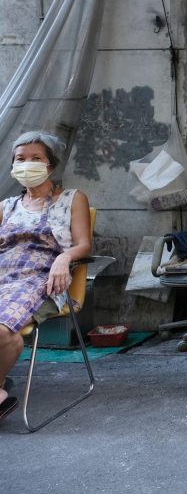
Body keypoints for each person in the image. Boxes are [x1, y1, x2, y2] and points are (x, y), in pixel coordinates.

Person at [1, 131, 91, 422]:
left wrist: (64, 258)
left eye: (36, 158)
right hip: (3, 275)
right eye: (20, 159)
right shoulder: (6, 207)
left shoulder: (72, 199)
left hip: (42, 279)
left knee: (3, 332)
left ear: (50, 165)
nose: (26, 164)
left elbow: (84, 244)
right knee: (8, 337)